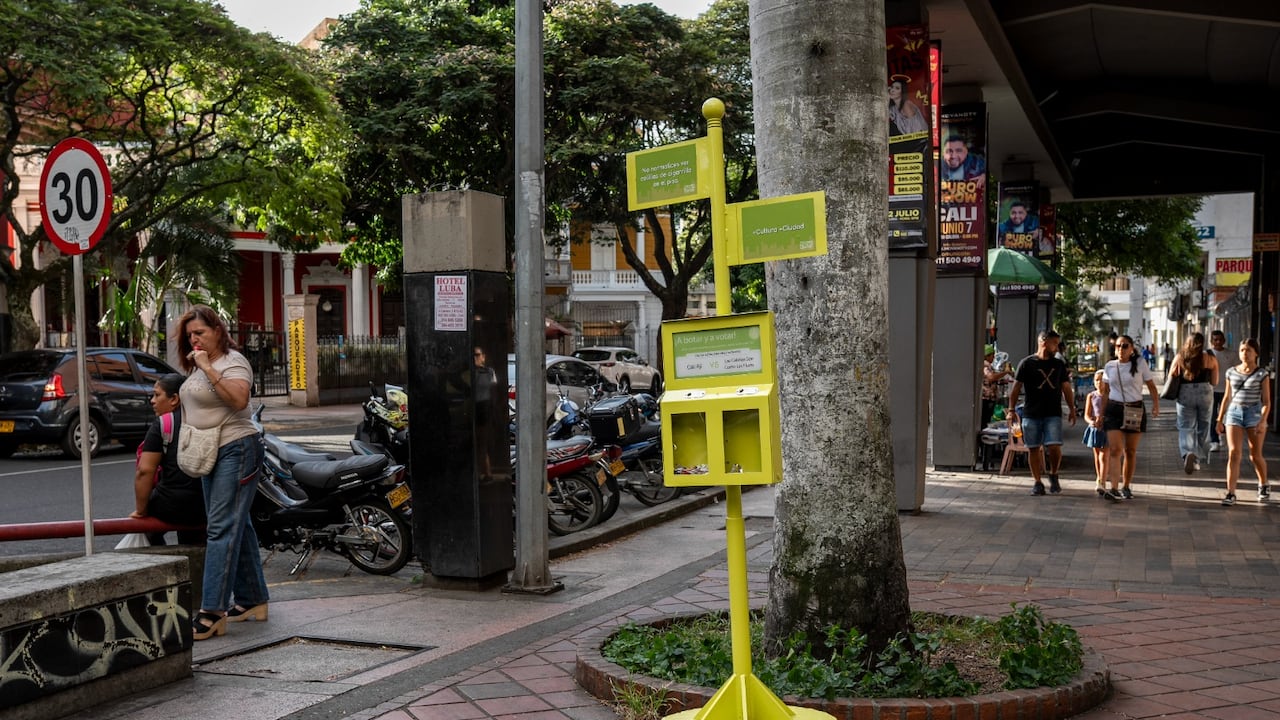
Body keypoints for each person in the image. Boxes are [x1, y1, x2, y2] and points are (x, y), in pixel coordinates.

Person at [177, 305, 268, 640]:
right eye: (190, 335)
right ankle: (253, 599)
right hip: (209, 452)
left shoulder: (232, 361)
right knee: (236, 523)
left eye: (200, 332)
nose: (194, 339)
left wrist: (208, 370)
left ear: (218, 330)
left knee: (219, 530)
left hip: (237, 448)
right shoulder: (198, 365)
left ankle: (213, 611)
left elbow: (240, 400)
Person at [130, 373, 205, 546]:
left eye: (157, 395)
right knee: (195, 542)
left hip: (171, 505)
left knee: (150, 529)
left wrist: (141, 511)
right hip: (206, 504)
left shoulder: (163, 424)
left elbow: (145, 471)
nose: (152, 401)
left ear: (174, 399)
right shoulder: (205, 419)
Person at [1007, 329, 1077, 495]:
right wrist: (1011, 409)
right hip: (1031, 412)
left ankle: (1053, 474)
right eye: (1055, 343)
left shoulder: (1058, 364)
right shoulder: (1027, 363)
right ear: (1044, 342)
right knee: (1033, 448)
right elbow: (1016, 388)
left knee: (1054, 446)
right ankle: (1037, 482)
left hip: (1052, 412)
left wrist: (1072, 409)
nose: (1057, 348)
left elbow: (1066, 388)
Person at [1099, 335, 1160, 501]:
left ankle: (1126, 485)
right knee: (1115, 450)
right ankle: (1113, 487)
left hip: (1134, 409)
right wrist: (1101, 415)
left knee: (1130, 451)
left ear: (1132, 348)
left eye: (1125, 346)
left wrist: (1156, 405)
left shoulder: (1140, 363)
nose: (1121, 349)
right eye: (1118, 346)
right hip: (1114, 409)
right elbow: (1105, 392)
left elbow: (1151, 386)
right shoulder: (1110, 366)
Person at [1215, 338, 1270, 506]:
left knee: (1255, 455)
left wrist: (1262, 420)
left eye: (1248, 350)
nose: (1244, 353)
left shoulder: (1262, 374)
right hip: (1234, 412)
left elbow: (1267, 401)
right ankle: (1231, 492)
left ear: (1256, 353)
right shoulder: (1231, 372)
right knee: (1234, 453)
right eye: (1242, 350)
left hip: (1254, 413)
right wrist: (1219, 419)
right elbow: (1226, 397)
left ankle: (1263, 483)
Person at [1168, 332, 1218, 474]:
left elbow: (1172, 375)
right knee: (1204, 426)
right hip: (1205, 393)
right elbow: (1214, 382)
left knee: (1185, 427)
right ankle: (1197, 458)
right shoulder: (1210, 358)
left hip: (1185, 393)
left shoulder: (1180, 357)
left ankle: (1187, 452)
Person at [1208, 330, 1238, 451]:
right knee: (1213, 416)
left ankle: (1223, 435)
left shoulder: (1231, 354)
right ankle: (1214, 440)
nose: (1218, 342)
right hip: (1211, 390)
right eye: (1215, 340)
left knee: (1227, 415)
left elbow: (1237, 370)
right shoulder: (1208, 354)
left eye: (1220, 339)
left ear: (1224, 341)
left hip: (1227, 390)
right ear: (1211, 341)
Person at [1082, 369, 1109, 497]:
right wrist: (1091, 422)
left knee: (1104, 456)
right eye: (1097, 380)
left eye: (1102, 380)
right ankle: (1099, 477)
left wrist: (1105, 420)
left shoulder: (1110, 396)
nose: (1099, 383)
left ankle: (1103, 481)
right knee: (1097, 455)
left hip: (1107, 429)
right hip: (1094, 429)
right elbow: (1086, 415)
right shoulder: (1091, 396)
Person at [981, 344, 1011, 428]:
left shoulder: (988, 365)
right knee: (985, 420)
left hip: (990, 398)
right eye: (992, 355)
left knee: (987, 419)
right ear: (987, 356)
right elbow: (991, 377)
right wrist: (1006, 372)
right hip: (986, 398)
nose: (994, 357)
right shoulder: (985, 365)